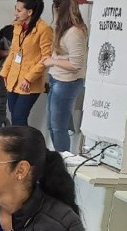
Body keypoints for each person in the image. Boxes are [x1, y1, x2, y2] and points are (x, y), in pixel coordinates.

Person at [0, 0, 53, 127]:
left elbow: (46, 58)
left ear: (29, 12)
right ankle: (21, 144)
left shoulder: (44, 29)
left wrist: (29, 78)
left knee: (19, 117)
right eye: (15, 9)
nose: (15, 13)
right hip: (13, 79)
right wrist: (4, 73)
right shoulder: (18, 26)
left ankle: (23, 146)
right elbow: (13, 52)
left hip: (29, 83)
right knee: (14, 115)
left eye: (19, 10)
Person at [43, 0, 87, 153]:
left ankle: (64, 160)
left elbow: (76, 65)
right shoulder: (63, 29)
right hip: (56, 79)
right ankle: (60, 157)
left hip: (67, 82)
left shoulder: (75, 32)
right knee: (52, 126)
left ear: (59, 9)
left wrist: (52, 61)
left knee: (58, 127)